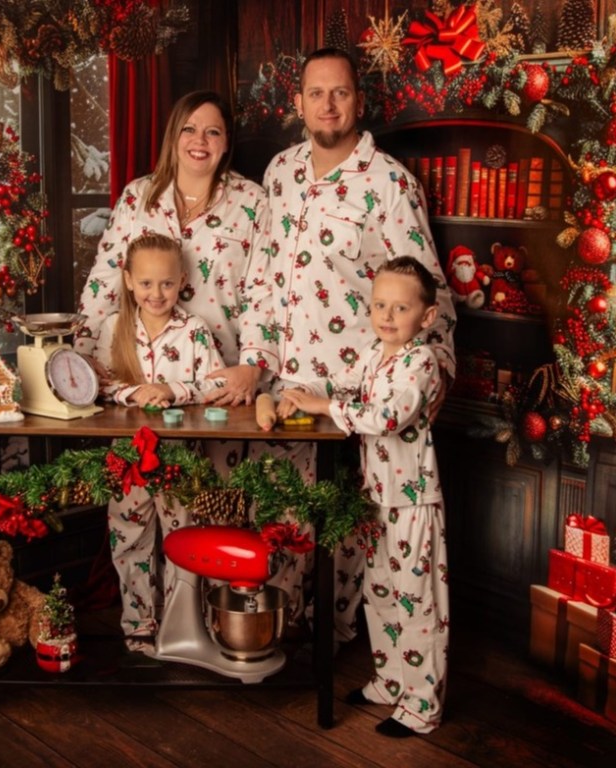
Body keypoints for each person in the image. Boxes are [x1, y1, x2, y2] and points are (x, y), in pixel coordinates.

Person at [219, 47, 456, 642]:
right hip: (286, 393)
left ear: (359, 100)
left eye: (341, 92)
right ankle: (284, 637)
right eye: (316, 93)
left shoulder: (391, 183)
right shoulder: (279, 172)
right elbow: (262, 280)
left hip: (356, 395)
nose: (328, 105)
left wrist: (440, 369)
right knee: (282, 517)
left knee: (353, 529)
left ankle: (338, 644)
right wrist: (256, 360)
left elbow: (429, 285)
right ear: (297, 102)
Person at [279, 257, 448, 738]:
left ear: (427, 317)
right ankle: (391, 680)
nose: (387, 316)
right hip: (374, 495)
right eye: (379, 305)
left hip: (411, 500)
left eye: (400, 307)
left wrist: (325, 406)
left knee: (417, 600)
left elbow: (386, 417)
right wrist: (302, 392)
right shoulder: (376, 353)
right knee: (379, 592)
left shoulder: (423, 362)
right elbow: (343, 386)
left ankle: (421, 705)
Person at [76, 90, 271, 408]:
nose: (200, 140)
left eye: (213, 132)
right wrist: (84, 351)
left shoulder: (252, 201)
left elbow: (261, 291)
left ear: (225, 141)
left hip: (221, 382)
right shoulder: (137, 197)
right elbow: (105, 278)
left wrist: (253, 366)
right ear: (173, 136)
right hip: (142, 381)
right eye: (189, 129)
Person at [91, 232, 225, 650]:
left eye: (166, 283)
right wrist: (134, 393)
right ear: (128, 280)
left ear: (182, 280)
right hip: (127, 456)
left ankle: (183, 624)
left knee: (182, 538)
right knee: (129, 539)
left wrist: (172, 390)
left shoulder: (194, 331)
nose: (156, 293)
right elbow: (97, 384)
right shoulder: (113, 327)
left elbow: (215, 385)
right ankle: (139, 624)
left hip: (180, 456)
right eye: (146, 283)